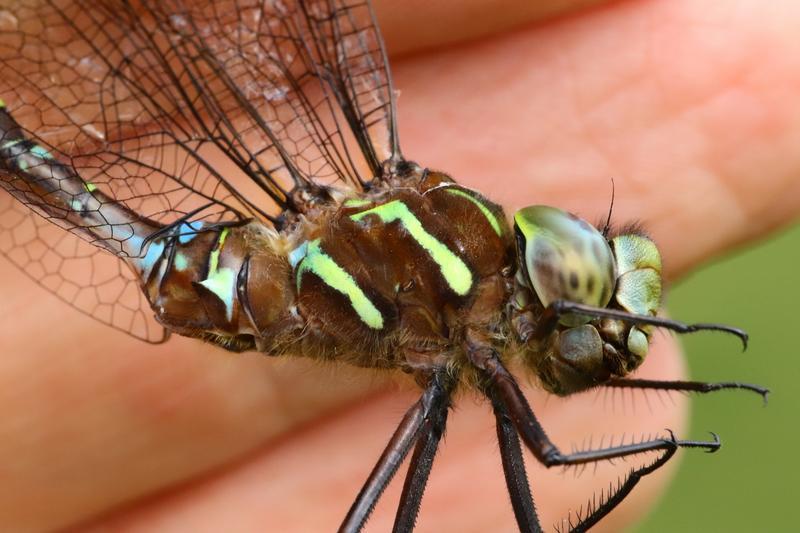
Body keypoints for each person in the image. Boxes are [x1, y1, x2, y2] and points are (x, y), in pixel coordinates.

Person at [1, 0, 798, 530]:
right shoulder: (466, 329)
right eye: (590, 284)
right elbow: (549, 458)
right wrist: (662, 441)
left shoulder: (464, 333)